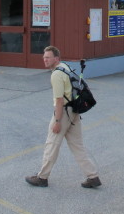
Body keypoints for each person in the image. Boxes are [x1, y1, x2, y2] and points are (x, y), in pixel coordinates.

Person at [25, 46, 101, 189]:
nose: (45, 59)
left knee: (51, 145)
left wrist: (57, 121)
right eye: (44, 57)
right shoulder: (65, 66)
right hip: (74, 112)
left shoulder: (56, 75)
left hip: (63, 113)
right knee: (78, 146)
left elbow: (59, 100)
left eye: (48, 57)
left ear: (56, 58)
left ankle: (42, 177)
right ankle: (93, 176)